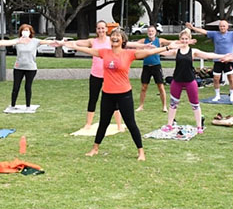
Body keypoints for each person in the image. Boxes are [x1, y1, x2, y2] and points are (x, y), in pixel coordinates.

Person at [65, 29, 186, 161]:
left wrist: (167, 47)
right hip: (107, 94)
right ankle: (95, 148)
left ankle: (141, 152)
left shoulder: (129, 54)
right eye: (113, 36)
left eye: (118, 36)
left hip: (124, 94)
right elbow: (88, 50)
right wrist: (73, 46)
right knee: (103, 123)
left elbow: (148, 52)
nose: (115, 37)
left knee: (130, 123)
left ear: (123, 40)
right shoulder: (104, 52)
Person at [159, 28, 223, 133]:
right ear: (180, 39)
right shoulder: (176, 51)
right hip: (177, 81)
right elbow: (162, 52)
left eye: (186, 39)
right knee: (173, 104)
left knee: (195, 104)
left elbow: (208, 55)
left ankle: (199, 126)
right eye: (182, 39)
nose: (184, 41)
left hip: (190, 81)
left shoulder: (193, 51)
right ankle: (169, 125)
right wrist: (149, 48)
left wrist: (222, 56)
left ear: (189, 39)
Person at [185, 20, 233, 103]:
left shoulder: (232, 34)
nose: (222, 27)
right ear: (219, 27)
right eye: (221, 26)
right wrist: (193, 28)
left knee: (231, 78)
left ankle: (232, 95)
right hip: (217, 60)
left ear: (227, 27)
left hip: (229, 60)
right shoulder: (215, 34)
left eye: (224, 26)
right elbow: (204, 31)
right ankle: (217, 95)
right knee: (216, 78)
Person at [75, 20, 123, 132]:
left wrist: (145, 46)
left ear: (107, 29)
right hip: (95, 74)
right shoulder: (93, 41)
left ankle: (119, 124)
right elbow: (77, 43)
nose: (101, 30)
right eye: (98, 28)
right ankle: (88, 124)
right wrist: (64, 43)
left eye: (103, 28)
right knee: (93, 99)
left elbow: (128, 44)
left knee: (114, 100)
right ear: (96, 30)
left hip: (109, 75)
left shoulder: (111, 41)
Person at [9, 24, 60, 110]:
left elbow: (47, 42)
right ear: (21, 32)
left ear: (30, 32)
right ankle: (12, 105)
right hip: (18, 67)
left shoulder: (34, 41)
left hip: (31, 68)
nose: (25, 32)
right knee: (16, 87)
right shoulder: (17, 41)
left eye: (27, 30)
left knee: (28, 87)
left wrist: (59, 42)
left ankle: (28, 105)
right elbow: (6, 42)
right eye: (24, 30)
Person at [136, 25, 173, 113]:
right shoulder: (143, 41)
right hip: (146, 66)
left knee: (160, 86)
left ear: (155, 32)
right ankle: (141, 106)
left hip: (156, 66)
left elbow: (170, 43)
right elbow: (134, 46)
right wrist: (142, 48)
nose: (150, 33)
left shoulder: (159, 41)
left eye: (152, 31)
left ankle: (164, 106)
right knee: (144, 87)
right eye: (149, 31)